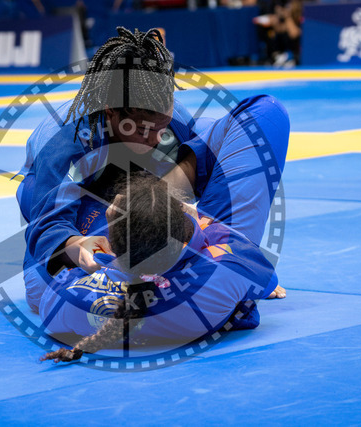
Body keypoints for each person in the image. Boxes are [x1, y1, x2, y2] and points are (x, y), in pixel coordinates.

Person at [16, 27, 289, 315]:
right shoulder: (67, 140)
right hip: (71, 197)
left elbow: (218, 173)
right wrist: (78, 245)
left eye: (163, 125)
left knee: (247, 125)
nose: (156, 138)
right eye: (143, 130)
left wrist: (239, 256)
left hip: (142, 190)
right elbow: (49, 223)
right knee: (39, 286)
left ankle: (215, 259)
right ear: (110, 111)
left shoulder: (171, 120)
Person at [39, 172, 283, 362]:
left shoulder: (71, 300)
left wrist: (98, 260)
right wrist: (197, 221)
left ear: (114, 246)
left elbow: (49, 302)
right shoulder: (223, 271)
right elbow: (262, 273)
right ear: (181, 234)